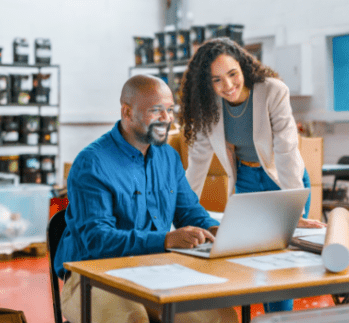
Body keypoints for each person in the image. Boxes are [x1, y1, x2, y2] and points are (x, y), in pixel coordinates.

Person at [54, 74, 239, 323]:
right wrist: (166, 240)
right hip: (92, 276)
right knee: (133, 318)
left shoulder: (168, 158)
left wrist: (217, 231)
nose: (167, 118)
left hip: (155, 272)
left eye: (170, 110)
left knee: (220, 318)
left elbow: (190, 213)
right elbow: (97, 240)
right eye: (156, 111)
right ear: (127, 112)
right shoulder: (92, 164)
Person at [179, 37, 326, 313]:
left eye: (232, 74)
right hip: (246, 181)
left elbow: (286, 149)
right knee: (250, 258)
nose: (228, 86)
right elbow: (197, 162)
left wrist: (294, 206)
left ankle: (279, 319)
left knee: (280, 261)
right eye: (217, 80)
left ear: (243, 66)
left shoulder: (272, 91)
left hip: (281, 179)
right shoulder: (207, 105)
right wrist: (179, 213)